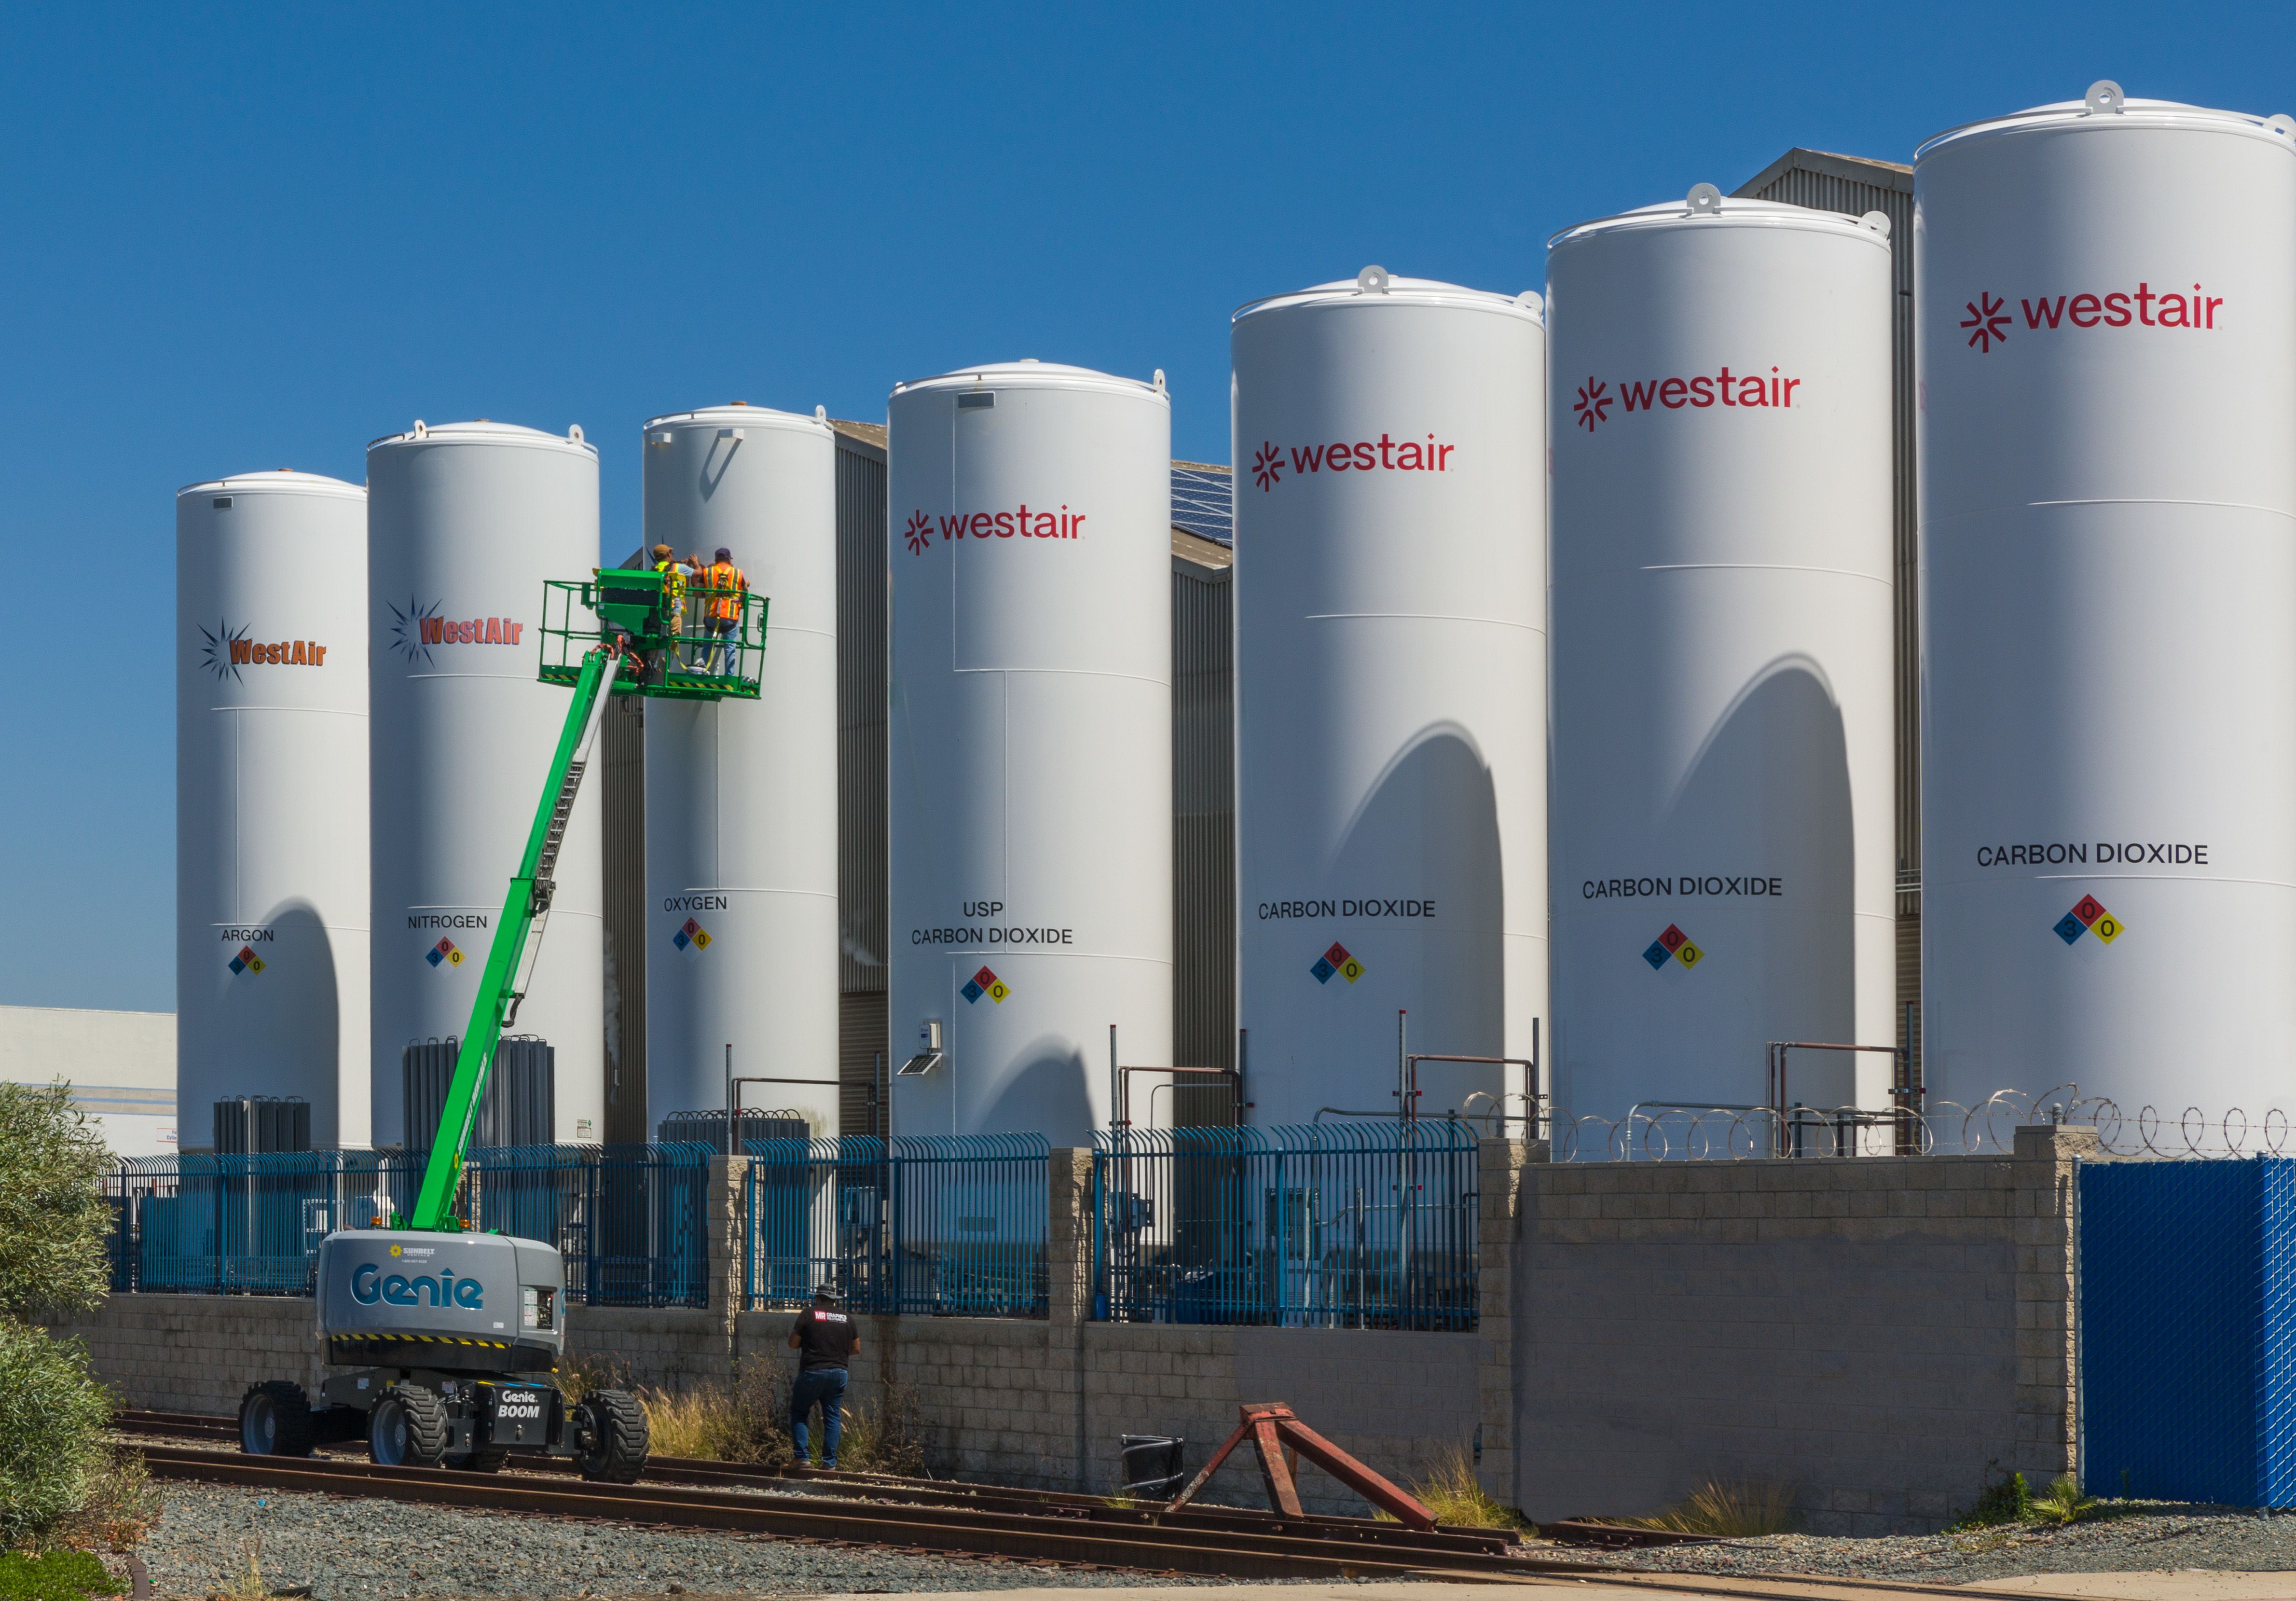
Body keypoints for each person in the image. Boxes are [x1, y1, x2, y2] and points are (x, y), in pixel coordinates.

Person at [787, 1285, 859, 1467]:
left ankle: (802, 1458)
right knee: (833, 1417)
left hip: (813, 1371)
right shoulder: (847, 1318)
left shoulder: (809, 1314)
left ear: (818, 1298)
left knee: (799, 1412)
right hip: (839, 1373)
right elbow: (856, 1349)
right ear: (834, 1299)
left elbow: (793, 1344)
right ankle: (829, 1462)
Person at [696, 545, 747, 675]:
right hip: (730, 616)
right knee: (730, 648)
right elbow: (744, 593)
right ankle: (729, 676)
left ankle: (701, 671)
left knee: (707, 646)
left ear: (716, 560)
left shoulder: (708, 572)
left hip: (711, 616)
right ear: (729, 559)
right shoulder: (737, 573)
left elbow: (698, 592)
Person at [650, 543, 691, 667]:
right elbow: (698, 573)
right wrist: (694, 564)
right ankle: (664, 667)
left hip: (657, 611)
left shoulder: (653, 570)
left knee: (658, 639)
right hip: (674, 609)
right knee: (673, 638)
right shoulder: (677, 568)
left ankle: (654, 666)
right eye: (671, 553)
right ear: (668, 554)